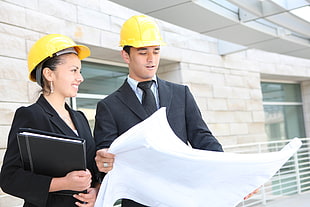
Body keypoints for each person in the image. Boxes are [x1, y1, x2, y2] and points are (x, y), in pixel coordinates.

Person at [94, 15, 224, 207]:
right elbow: (104, 160)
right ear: (126, 55)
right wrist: (103, 163)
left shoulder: (181, 94)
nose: (151, 59)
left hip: (181, 197)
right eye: (142, 52)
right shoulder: (109, 106)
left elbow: (203, 138)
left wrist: (230, 172)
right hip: (138, 202)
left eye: (156, 51)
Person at [0, 34, 99, 207]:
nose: (80, 78)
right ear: (49, 74)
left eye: (80, 71)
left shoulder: (80, 118)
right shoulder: (31, 115)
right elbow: (10, 178)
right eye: (73, 70)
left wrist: (95, 190)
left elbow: (91, 168)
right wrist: (63, 183)